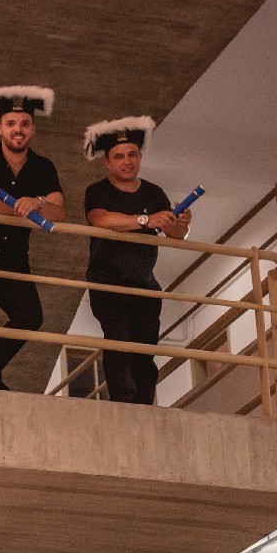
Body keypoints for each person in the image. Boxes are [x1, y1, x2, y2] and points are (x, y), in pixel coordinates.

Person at [0, 87, 64, 390]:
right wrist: (22, 210)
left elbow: (60, 213)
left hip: (13, 258)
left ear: (33, 128)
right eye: (11, 124)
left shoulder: (44, 167)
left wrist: (39, 203)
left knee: (30, 316)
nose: (18, 130)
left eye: (25, 124)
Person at [82, 116, 190, 405]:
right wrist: (146, 219)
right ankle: (123, 400)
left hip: (144, 282)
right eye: (118, 157)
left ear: (140, 157)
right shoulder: (98, 191)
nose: (126, 162)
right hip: (107, 280)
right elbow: (100, 220)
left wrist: (181, 221)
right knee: (118, 339)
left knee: (145, 347)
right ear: (108, 162)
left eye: (131, 155)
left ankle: (144, 401)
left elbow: (176, 234)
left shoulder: (154, 193)